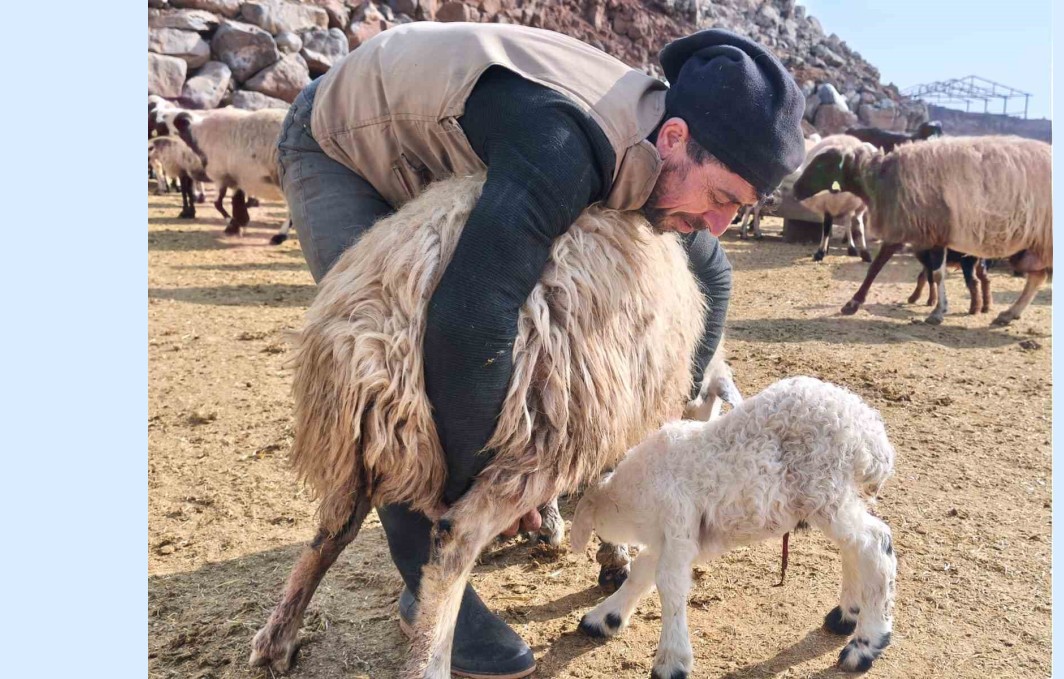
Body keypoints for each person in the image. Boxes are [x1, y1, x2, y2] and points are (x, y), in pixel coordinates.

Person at [276, 20, 806, 679]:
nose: (721, 222)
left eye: (742, 208)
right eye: (723, 197)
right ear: (674, 139)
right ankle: (431, 581)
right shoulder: (564, 144)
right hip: (345, 146)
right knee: (389, 371)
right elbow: (472, 318)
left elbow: (714, 274)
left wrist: (661, 412)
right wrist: (491, 486)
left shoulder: (671, 165)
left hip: (453, 153)